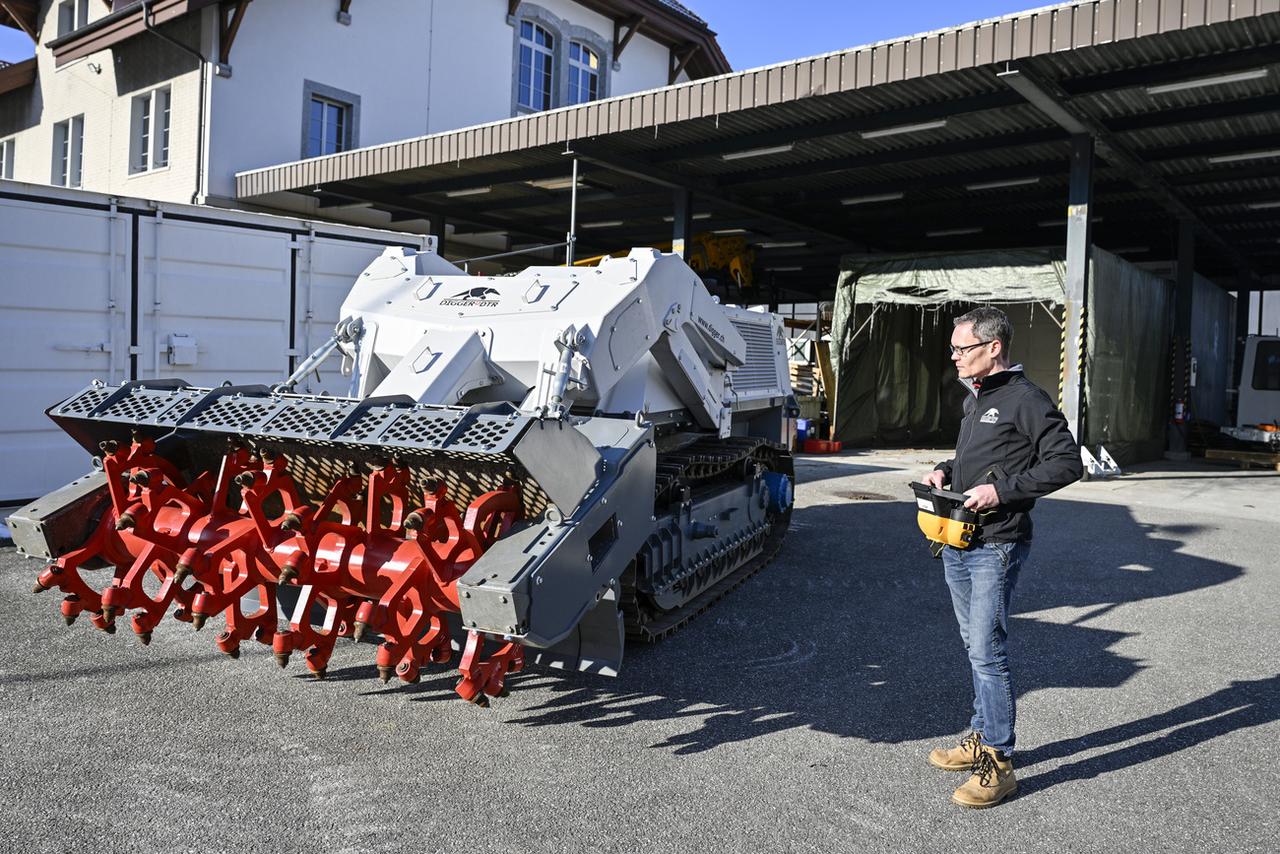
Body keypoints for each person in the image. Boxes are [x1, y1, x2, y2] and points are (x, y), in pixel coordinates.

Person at [921, 306, 1082, 809]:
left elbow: (1067, 462)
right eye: (953, 349)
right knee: (974, 646)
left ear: (993, 348)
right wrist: (946, 470)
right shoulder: (978, 399)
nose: (954, 358)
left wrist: (1002, 491)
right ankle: (978, 735)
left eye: (962, 349)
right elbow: (979, 455)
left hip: (997, 543)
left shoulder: (1025, 399)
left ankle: (999, 761)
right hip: (957, 537)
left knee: (988, 652)